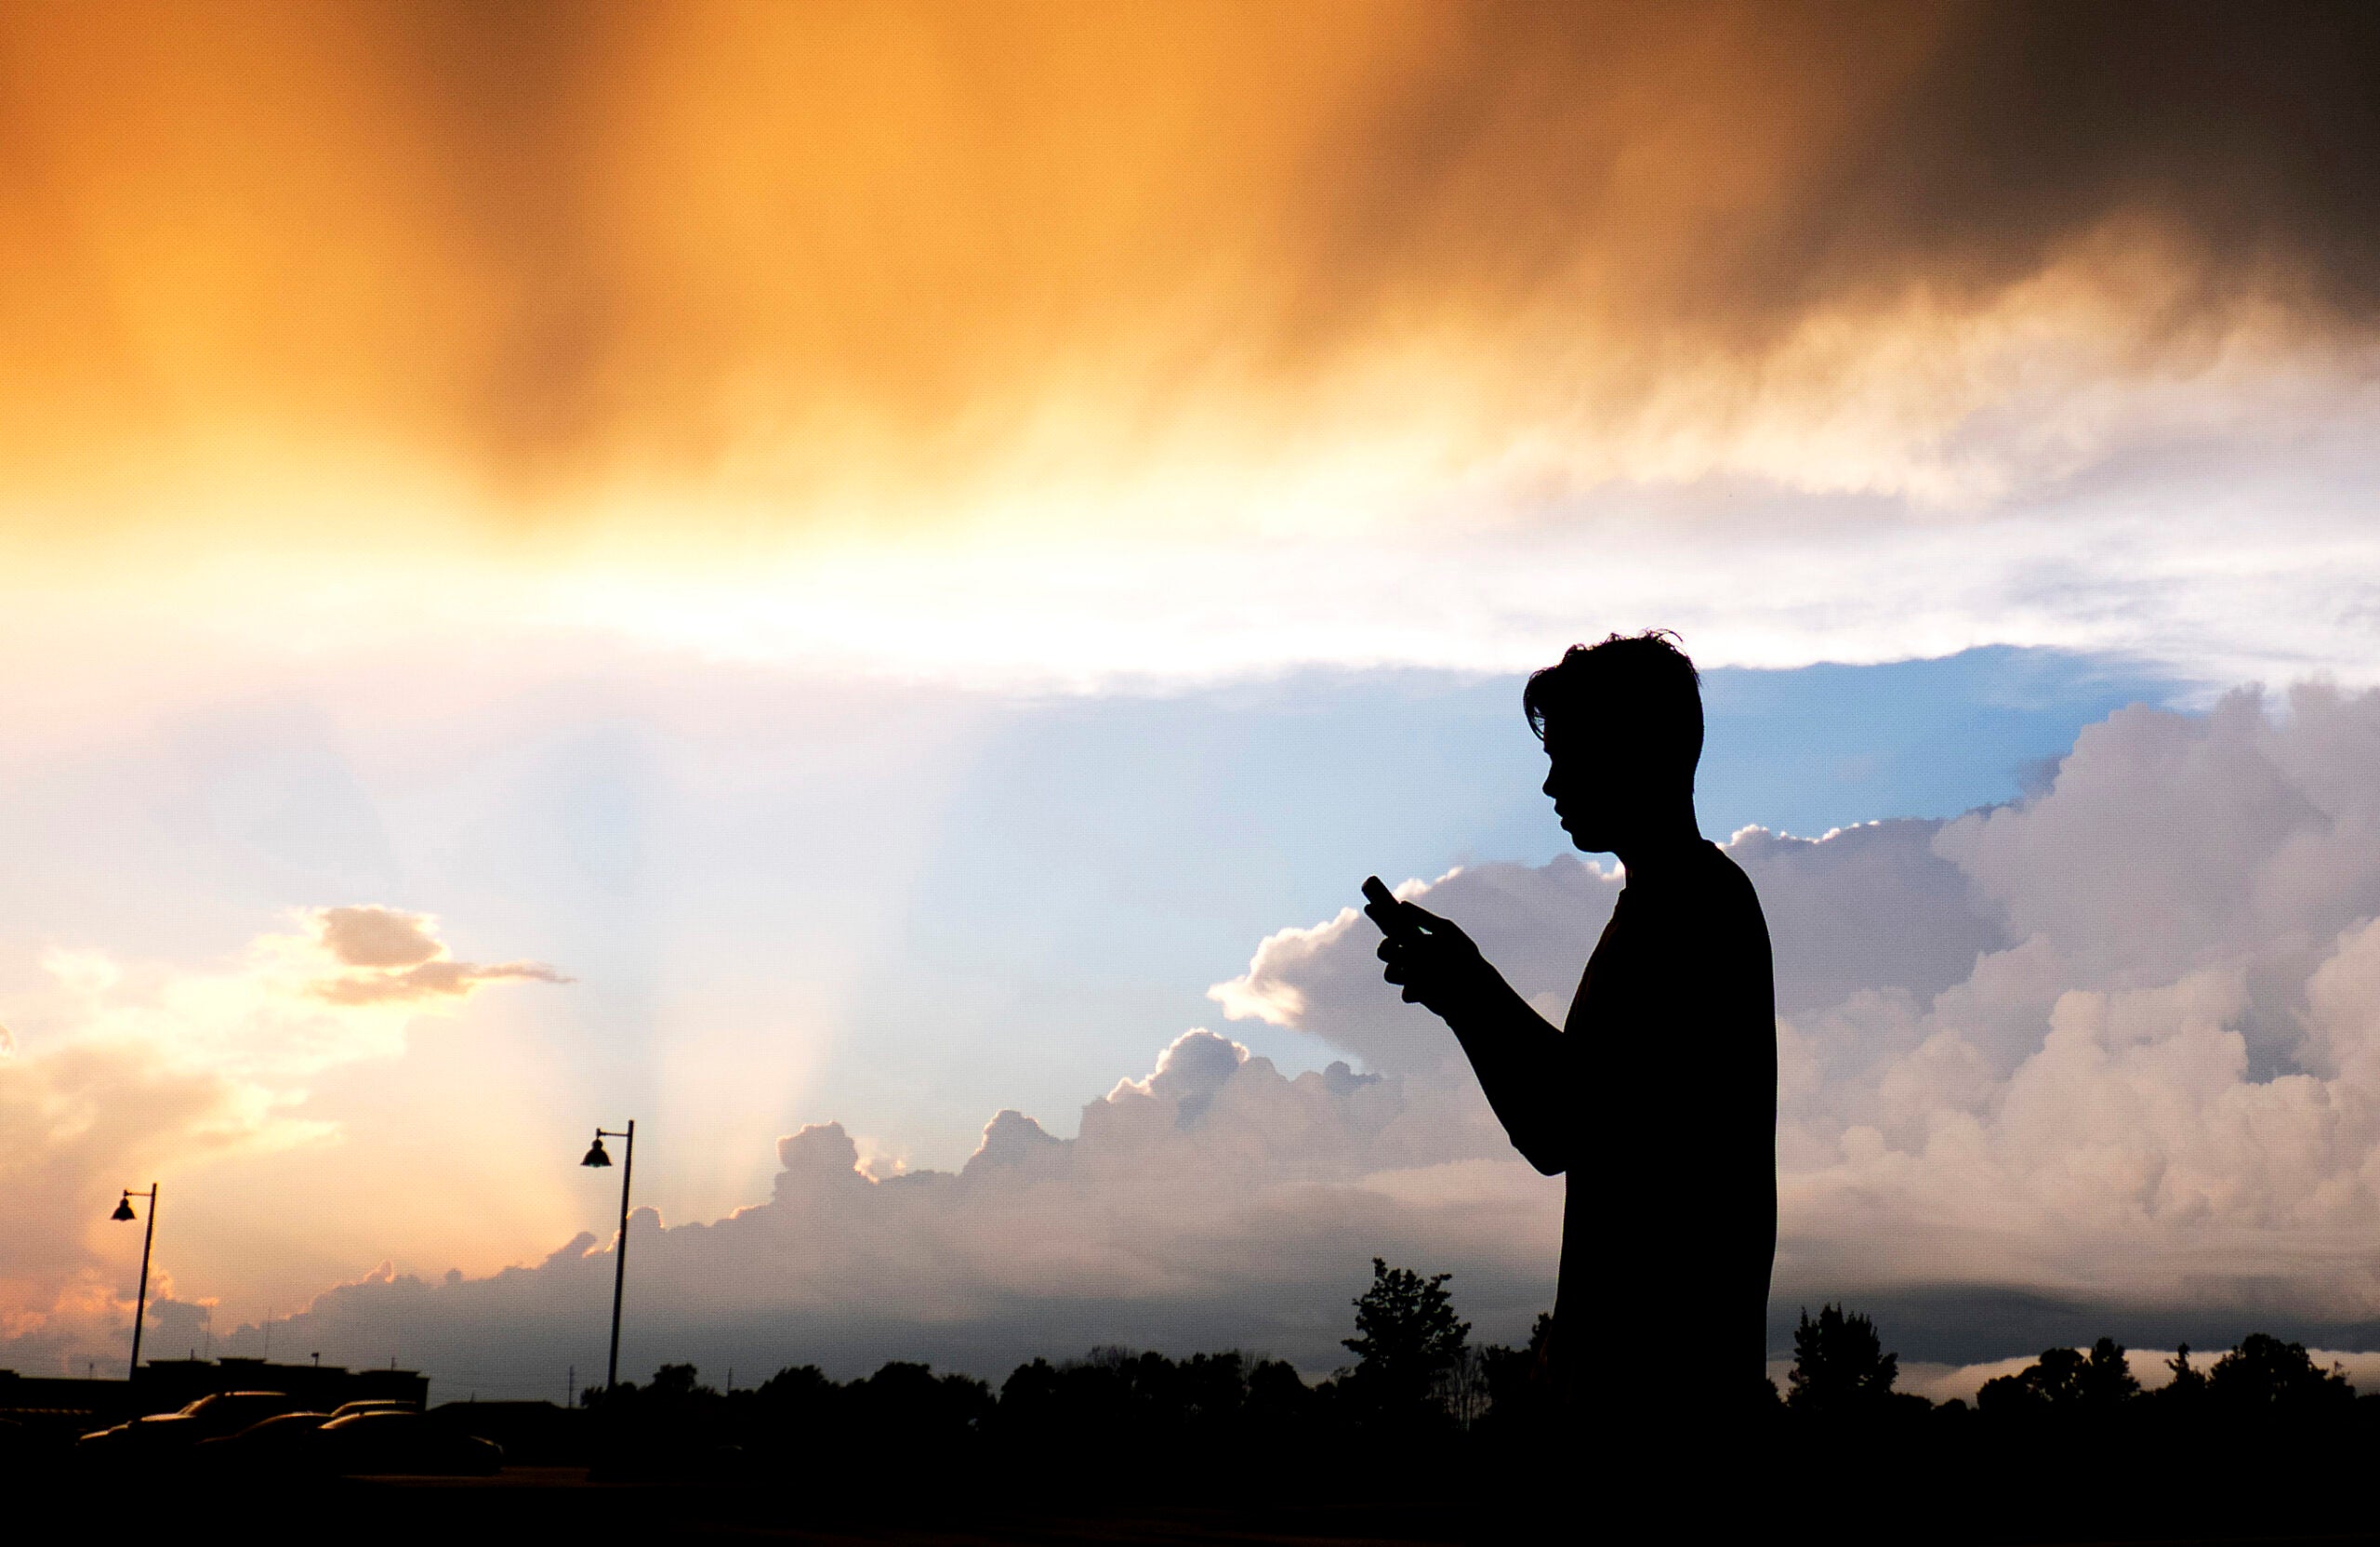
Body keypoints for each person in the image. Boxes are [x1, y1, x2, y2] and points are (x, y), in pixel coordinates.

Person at [1365, 630, 1775, 1429]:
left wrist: (1467, 992)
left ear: (1637, 753)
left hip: (1658, 1410)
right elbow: (1578, 1120)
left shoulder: (1690, 913)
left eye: (1571, 753)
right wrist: (1466, 990)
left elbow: (1557, 1125)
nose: (1551, 782)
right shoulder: (1676, 906)